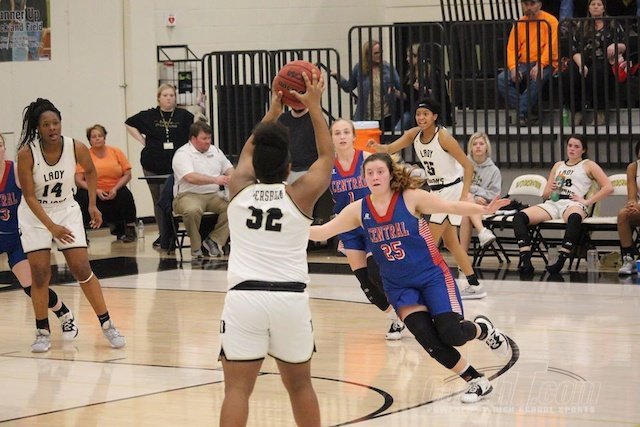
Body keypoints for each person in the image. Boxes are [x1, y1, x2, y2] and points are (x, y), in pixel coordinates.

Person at [309, 153, 511, 404]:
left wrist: (483, 210)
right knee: (429, 341)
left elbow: (450, 207)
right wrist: (291, 228)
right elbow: (323, 231)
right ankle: (476, 380)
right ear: (364, 178)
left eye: (380, 172)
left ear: (390, 174)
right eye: (369, 173)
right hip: (399, 287)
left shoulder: (409, 198)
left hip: (432, 277)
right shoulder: (359, 210)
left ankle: (483, 330)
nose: (375, 177)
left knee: (452, 334)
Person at [218, 71, 331, 426]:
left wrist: (273, 111)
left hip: (244, 298)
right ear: (289, 168)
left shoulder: (238, 186)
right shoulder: (300, 195)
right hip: (289, 300)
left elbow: (249, 150)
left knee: (237, 390)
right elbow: (327, 156)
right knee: (300, 387)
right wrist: (314, 107)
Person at [16, 98, 125, 353]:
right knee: (40, 273)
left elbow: (91, 172)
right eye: (46, 124)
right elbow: (29, 196)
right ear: (38, 128)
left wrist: (92, 204)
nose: (52, 128)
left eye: (55, 123)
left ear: (61, 123)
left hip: (66, 208)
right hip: (36, 215)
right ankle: (42, 331)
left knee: (82, 268)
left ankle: (108, 325)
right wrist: (51, 227)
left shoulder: (75, 147)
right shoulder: (27, 154)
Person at [369, 98, 488, 300]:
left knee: (427, 242)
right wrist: (376, 146)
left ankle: (426, 285)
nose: (421, 117)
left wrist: (462, 197)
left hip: (451, 190)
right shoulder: (413, 134)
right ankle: (474, 285)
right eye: (418, 114)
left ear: (434, 116)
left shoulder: (443, 137)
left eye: (425, 114)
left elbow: (468, 166)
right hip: (436, 191)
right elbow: (390, 149)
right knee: (451, 243)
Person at [329, 118, 404, 340]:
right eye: (337, 133)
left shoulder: (366, 160)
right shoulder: (327, 167)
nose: (342, 136)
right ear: (331, 138)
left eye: (346, 132)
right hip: (347, 226)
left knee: (376, 272)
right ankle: (396, 318)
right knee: (366, 283)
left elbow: (393, 179)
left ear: (354, 136)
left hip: (371, 221)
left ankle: (410, 307)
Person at [0, 133, 78, 339]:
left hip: (17, 238)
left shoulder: (15, 170)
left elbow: (35, 196)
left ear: (4, 148)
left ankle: (63, 312)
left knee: (31, 287)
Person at [513, 135, 613, 274]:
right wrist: (552, 188)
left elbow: (608, 187)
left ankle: (561, 259)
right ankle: (526, 260)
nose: (572, 149)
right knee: (519, 217)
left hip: (573, 202)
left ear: (583, 149)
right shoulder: (558, 165)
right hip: (554, 201)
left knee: (574, 218)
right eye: (570, 145)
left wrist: (587, 201)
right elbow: (545, 194)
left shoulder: (588, 165)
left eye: (576, 146)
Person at [125, 83, 194, 249]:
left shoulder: (184, 115)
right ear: (159, 98)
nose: (169, 98)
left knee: (168, 197)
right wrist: (142, 140)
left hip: (174, 165)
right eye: (165, 95)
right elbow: (129, 123)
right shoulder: (150, 115)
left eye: (171, 95)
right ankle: (163, 233)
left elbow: (194, 131)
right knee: (157, 200)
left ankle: (171, 231)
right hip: (152, 163)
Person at [172, 121, 233, 260]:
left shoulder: (215, 151)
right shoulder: (182, 154)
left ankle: (214, 240)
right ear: (193, 139)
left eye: (209, 138)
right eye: (204, 138)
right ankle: (196, 246)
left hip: (213, 195)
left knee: (233, 207)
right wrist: (215, 180)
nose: (208, 141)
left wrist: (233, 177)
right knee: (192, 210)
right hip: (188, 195)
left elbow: (229, 169)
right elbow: (190, 177)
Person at [563, 0, 626, 126]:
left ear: (604, 8)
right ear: (589, 8)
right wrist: (581, 65)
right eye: (593, 4)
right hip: (584, 59)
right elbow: (574, 49)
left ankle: (600, 112)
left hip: (605, 59)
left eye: (599, 4)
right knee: (569, 74)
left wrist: (616, 46)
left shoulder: (612, 24)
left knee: (597, 72)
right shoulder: (582, 25)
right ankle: (577, 111)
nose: (596, 7)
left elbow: (624, 44)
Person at [497, 0, 559, 126]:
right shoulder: (520, 23)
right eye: (526, 4)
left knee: (537, 76)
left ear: (540, 4)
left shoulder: (550, 21)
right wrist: (513, 67)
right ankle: (527, 112)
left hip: (547, 62)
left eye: (532, 4)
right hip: (523, 63)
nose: (529, 7)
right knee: (502, 79)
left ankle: (522, 113)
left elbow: (552, 46)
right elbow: (511, 48)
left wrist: (540, 64)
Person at [75, 124, 137, 243]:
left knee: (126, 195)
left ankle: (129, 229)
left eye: (100, 136)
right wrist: (95, 190)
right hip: (93, 190)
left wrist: (115, 188)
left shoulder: (116, 151)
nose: (97, 138)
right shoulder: (85, 155)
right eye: (94, 137)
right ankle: (81, 234)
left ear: (104, 138)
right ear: (89, 140)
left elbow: (127, 174)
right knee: (81, 197)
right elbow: (78, 180)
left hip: (114, 188)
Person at [331, 40, 401, 131]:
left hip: (387, 114)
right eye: (376, 53)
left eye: (381, 52)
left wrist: (395, 92)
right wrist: (338, 77)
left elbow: (399, 87)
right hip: (366, 115)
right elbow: (349, 87)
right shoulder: (359, 68)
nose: (379, 55)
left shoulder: (388, 68)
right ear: (368, 55)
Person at [459, 133, 502, 252]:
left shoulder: (494, 171)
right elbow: (458, 187)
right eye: (474, 144)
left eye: (481, 144)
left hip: (484, 205)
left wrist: (476, 194)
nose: (478, 146)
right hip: (460, 202)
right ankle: (482, 231)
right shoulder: (462, 165)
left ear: (487, 147)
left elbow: (495, 195)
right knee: (468, 199)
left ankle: (463, 257)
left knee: (466, 215)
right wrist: (475, 197)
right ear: (470, 147)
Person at [617, 141, 640, 275]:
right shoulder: (633, 167)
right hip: (638, 207)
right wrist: (632, 204)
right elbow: (632, 196)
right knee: (623, 214)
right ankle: (628, 259)